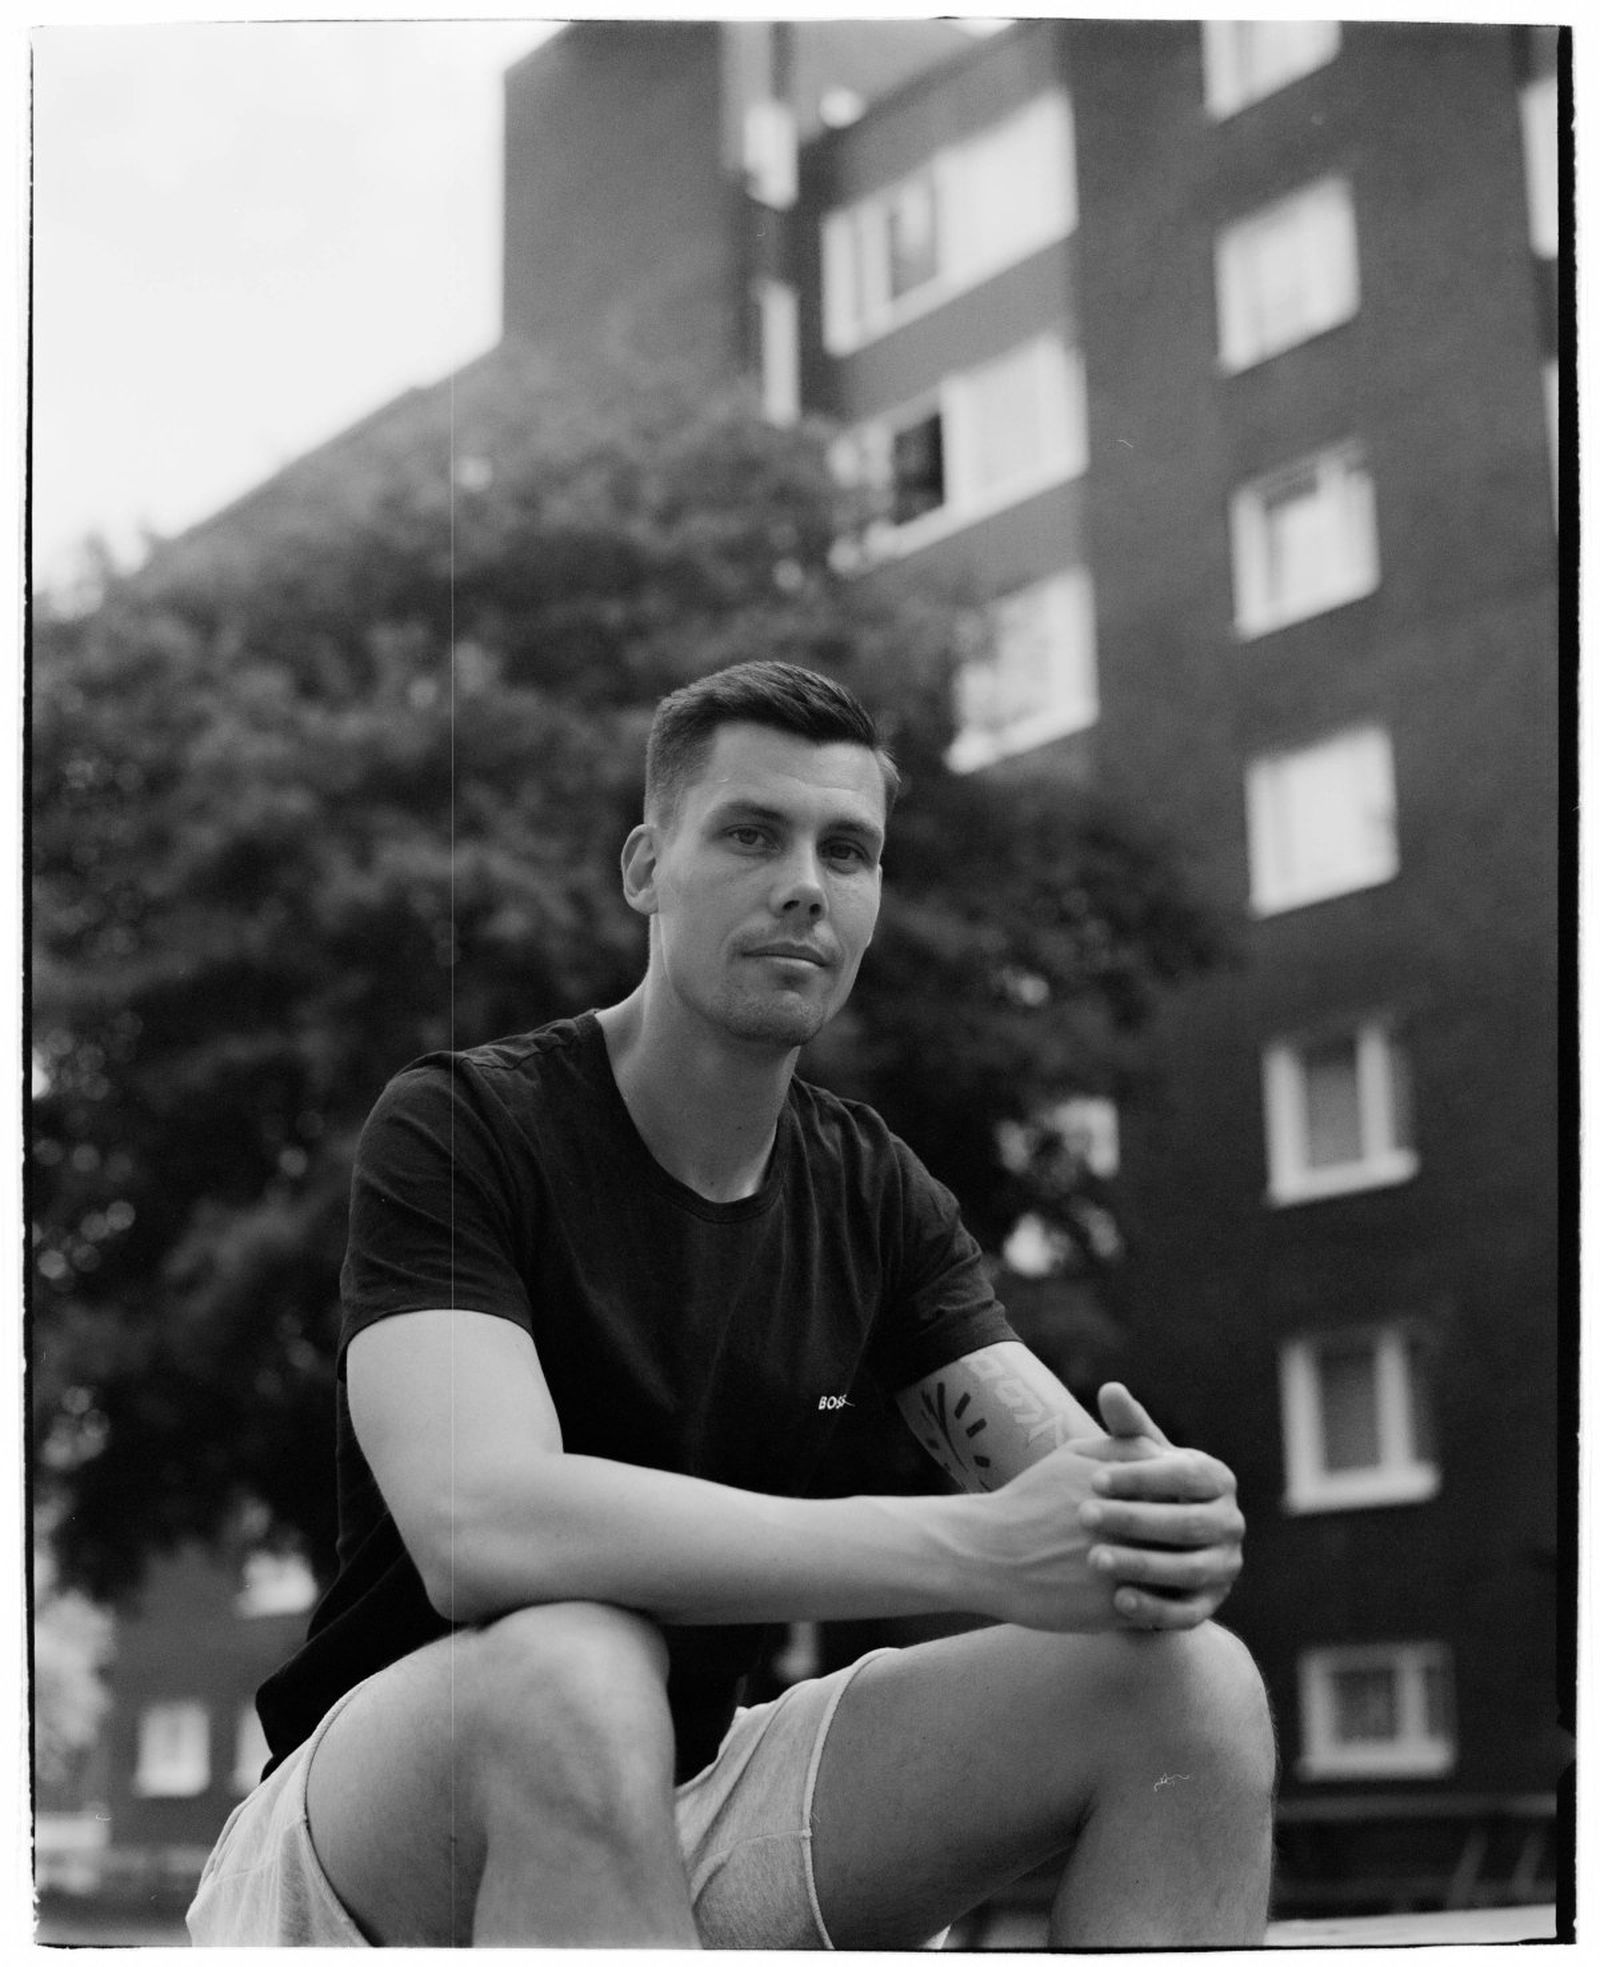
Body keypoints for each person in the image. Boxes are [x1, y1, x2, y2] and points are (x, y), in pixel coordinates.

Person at [187, 660, 1275, 1949]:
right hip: (390, 1827)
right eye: (752, 835)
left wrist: (1148, 1522)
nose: (806, 883)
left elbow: (1063, 1489)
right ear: (647, 867)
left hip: (701, 1791)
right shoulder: (466, 1122)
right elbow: (481, 1526)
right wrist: (970, 1550)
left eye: (850, 851)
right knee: (575, 1665)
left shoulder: (873, 1189)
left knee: (1189, 1687)